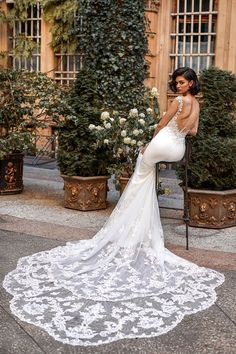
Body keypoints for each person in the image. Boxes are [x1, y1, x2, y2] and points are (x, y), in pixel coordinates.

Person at [3, 67, 224, 347]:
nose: (177, 86)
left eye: (181, 82)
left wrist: (148, 144)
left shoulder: (177, 101)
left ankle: (130, 219)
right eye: (176, 83)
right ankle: (142, 220)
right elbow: (192, 130)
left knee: (139, 171)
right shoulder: (197, 104)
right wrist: (175, 137)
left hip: (163, 143)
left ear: (190, 82)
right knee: (144, 176)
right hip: (178, 148)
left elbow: (160, 124)